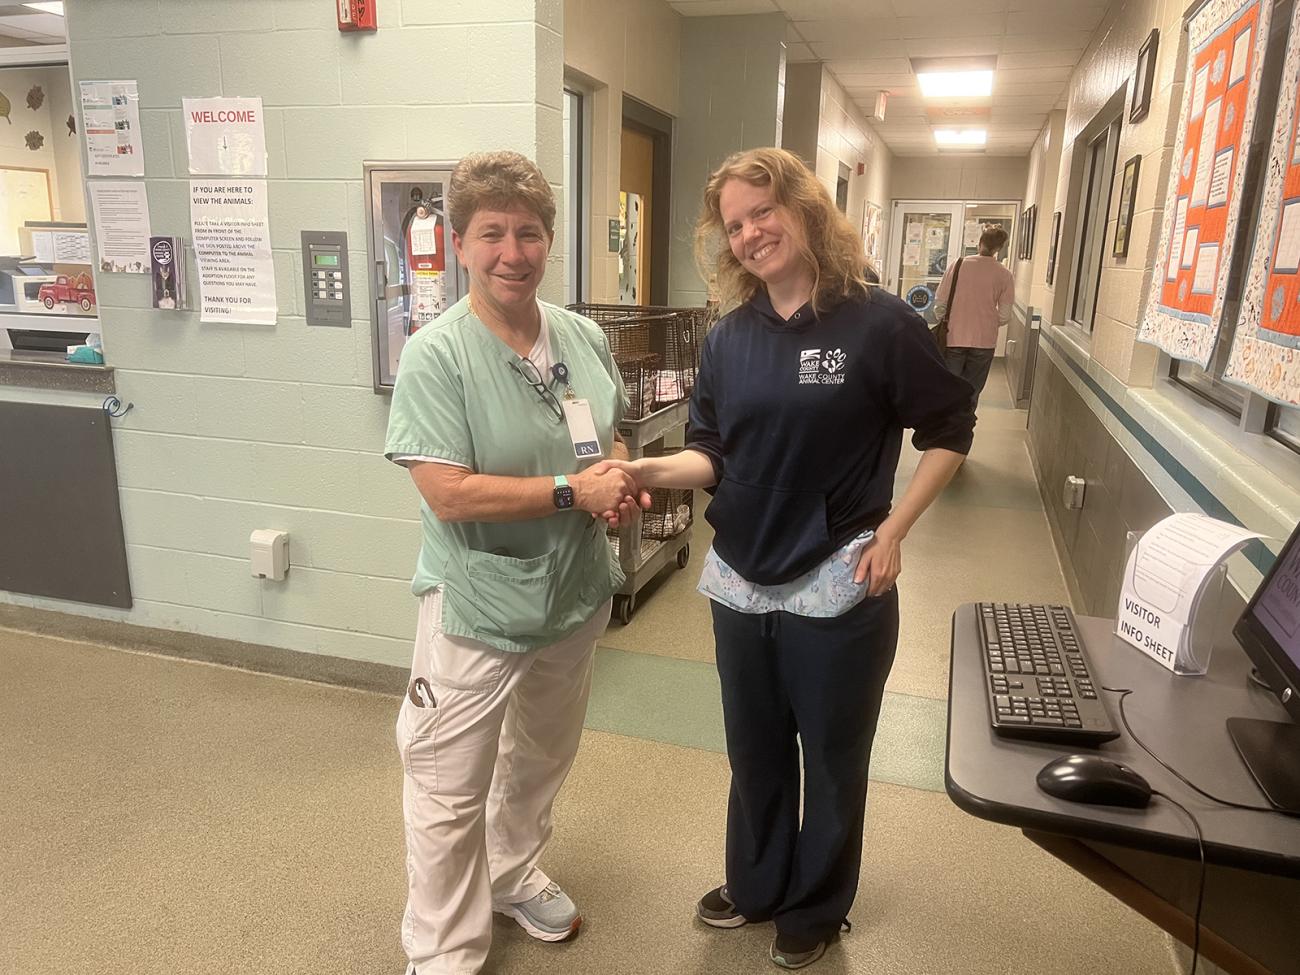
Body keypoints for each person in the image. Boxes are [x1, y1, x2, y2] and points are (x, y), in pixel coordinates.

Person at [601, 147, 976, 970]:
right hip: (740, 577)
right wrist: (643, 469)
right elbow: (709, 453)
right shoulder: (732, 337)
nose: (751, 233)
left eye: (763, 211)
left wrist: (894, 531)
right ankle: (759, 881)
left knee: (834, 757)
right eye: (734, 224)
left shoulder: (877, 322)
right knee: (756, 745)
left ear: (805, 209)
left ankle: (816, 903)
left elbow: (948, 430)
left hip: (839, 579)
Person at [383, 150, 642, 975]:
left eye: (528, 232)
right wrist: (575, 489)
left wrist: (619, 482)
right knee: (447, 781)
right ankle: (444, 949)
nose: (513, 252)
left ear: (549, 240)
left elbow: (609, 436)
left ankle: (510, 871)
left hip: (571, 592)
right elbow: (449, 493)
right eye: (491, 232)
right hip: (481, 602)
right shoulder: (436, 354)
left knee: (540, 755)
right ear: (459, 244)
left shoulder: (583, 336)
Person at [932, 226, 1015, 412]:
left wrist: (950, 320)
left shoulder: (958, 265)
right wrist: (989, 323)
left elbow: (940, 304)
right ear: (999, 248)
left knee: (950, 386)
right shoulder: (1004, 274)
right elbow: (1005, 315)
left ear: (980, 243)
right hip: (984, 341)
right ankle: (964, 423)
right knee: (972, 390)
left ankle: (946, 423)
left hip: (954, 336)